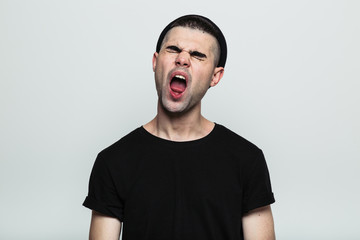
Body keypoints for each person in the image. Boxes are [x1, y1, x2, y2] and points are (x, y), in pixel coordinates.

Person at [83, 14, 275, 240]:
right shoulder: (113, 162)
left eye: (197, 55)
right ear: (155, 62)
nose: (182, 59)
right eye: (173, 49)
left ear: (216, 76)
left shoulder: (247, 160)